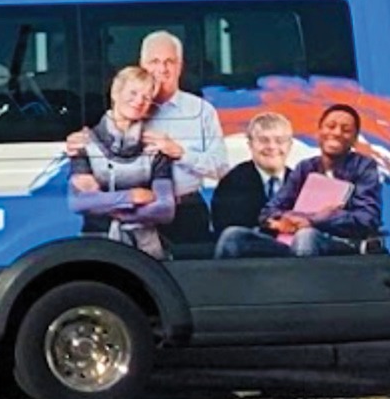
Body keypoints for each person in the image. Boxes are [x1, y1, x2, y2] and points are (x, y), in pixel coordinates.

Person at [68, 30, 228, 256]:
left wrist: (179, 152)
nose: (162, 69)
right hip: (122, 221)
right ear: (142, 65)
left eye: (170, 62)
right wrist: (126, 200)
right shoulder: (118, 117)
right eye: (154, 61)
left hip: (186, 211)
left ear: (180, 66)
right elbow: (81, 194)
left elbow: (221, 167)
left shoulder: (201, 111)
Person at [215, 104, 383, 258]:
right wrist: (283, 222)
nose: (337, 133)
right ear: (319, 133)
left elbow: (367, 219)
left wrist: (315, 221)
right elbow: (269, 211)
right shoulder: (305, 167)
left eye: (346, 129)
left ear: (354, 139)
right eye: (331, 126)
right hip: (288, 241)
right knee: (233, 236)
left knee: (306, 236)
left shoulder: (364, 167)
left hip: (338, 245)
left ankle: (300, 291)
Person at [68, 66, 177, 259]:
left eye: (146, 97)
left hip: (146, 249)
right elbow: (79, 202)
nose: (139, 101)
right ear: (116, 93)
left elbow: (165, 208)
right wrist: (131, 197)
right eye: (133, 93)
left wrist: (112, 209)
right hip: (96, 243)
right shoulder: (84, 142)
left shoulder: (155, 146)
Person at [211, 111, 296, 233]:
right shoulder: (232, 182)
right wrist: (273, 227)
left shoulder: (300, 182)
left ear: (289, 145)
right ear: (250, 145)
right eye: (263, 140)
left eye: (279, 141)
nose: (272, 147)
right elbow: (229, 231)